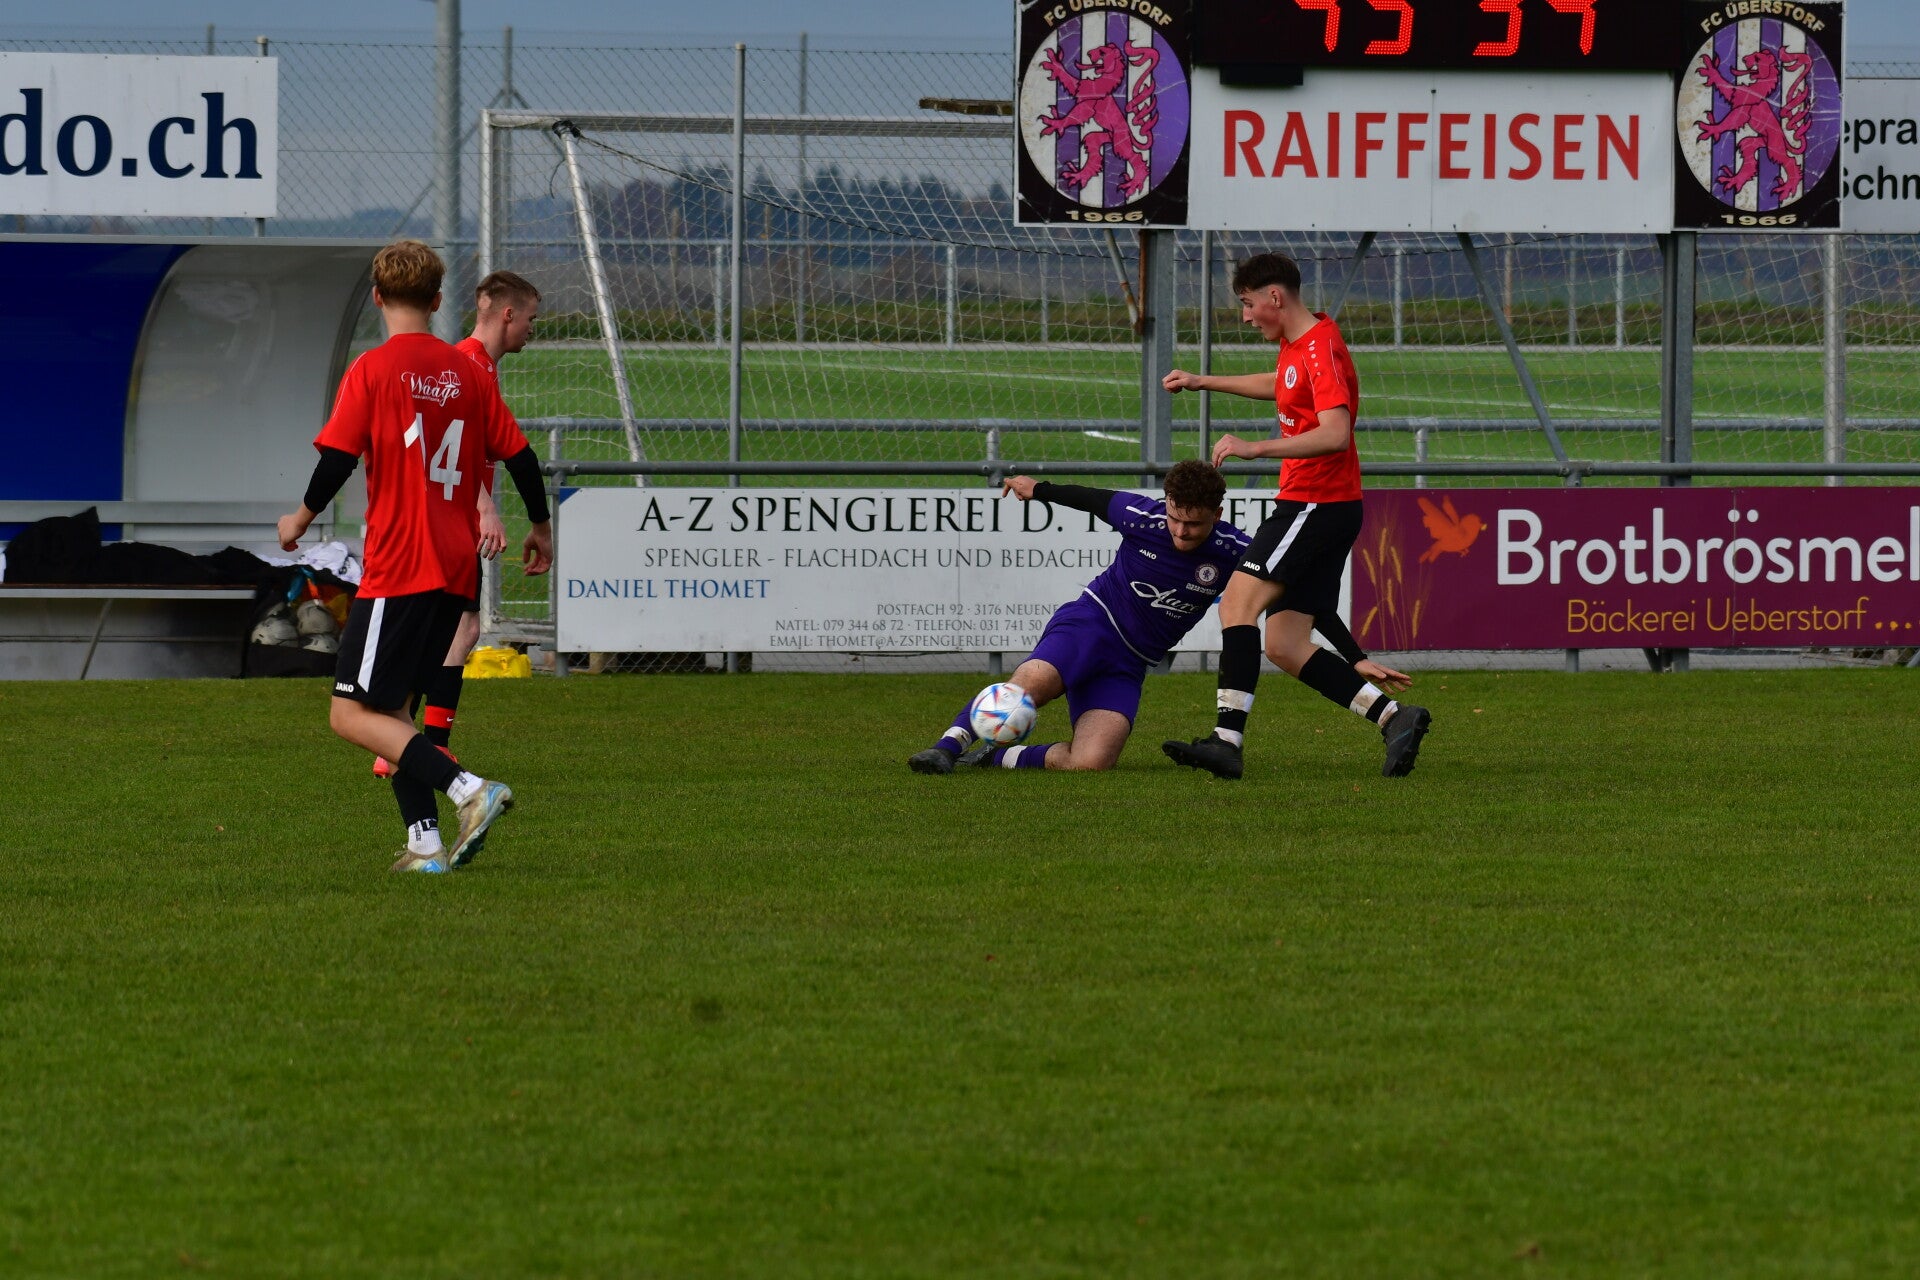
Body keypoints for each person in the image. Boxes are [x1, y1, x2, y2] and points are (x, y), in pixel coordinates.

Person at [277, 240, 555, 873]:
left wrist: (299, 520)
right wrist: (540, 527)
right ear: (437, 300)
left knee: (349, 713)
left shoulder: (373, 369)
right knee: (394, 710)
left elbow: (338, 460)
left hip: (401, 564)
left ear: (377, 296)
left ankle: (469, 789)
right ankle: (425, 845)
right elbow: (520, 456)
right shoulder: (467, 372)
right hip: (455, 568)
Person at [908, 459, 1399, 773]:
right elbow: (1091, 499)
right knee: (1030, 684)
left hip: (1130, 663)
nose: (1181, 532)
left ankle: (998, 757)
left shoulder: (1236, 552)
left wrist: (1353, 656)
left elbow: (1304, 603)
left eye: (1194, 524)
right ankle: (946, 748)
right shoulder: (1141, 517)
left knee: (1092, 762)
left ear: (1217, 514)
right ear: (1166, 505)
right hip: (1090, 625)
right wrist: (1038, 488)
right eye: (1175, 518)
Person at [1159, 251, 1431, 781]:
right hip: (1326, 506)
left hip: (1315, 502)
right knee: (1284, 645)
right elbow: (1280, 383)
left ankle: (1226, 741)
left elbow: (1336, 433)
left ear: (1274, 297)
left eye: (1248, 304)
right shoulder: (1299, 345)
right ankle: (1394, 717)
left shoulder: (1321, 346)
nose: (1245, 316)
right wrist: (1202, 380)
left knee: (1236, 603)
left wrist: (1255, 448)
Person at [420, 269, 542, 757]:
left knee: (453, 627)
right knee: (456, 627)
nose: (532, 329)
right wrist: (484, 505)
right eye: (531, 318)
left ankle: (415, 742)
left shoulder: (474, 365)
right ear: (508, 314)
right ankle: (418, 743)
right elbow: (441, 447)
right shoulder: (466, 365)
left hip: (445, 516)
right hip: (450, 519)